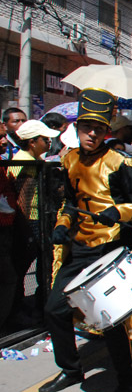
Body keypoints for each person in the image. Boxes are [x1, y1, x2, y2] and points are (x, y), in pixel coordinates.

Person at [38, 88, 132, 392]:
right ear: (77, 128)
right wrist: (63, 227)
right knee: (54, 308)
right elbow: (68, 203)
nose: (92, 134)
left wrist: (116, 212)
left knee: (108, 318)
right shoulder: (69, 160)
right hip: (79, 248)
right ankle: (70, 369)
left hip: (110, 249)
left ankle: (128, 378)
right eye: (87, 127)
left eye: (99, 129)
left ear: (107, 131)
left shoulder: (120, 162)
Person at [8, 120, 61, 320]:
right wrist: (26, 229)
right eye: (44, 139)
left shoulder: (28, 159)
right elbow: (23, 199)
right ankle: (23, 311)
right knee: (29, 268)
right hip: (31, 222)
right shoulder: (26, 163)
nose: (48, 142)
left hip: (32, 222)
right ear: (32, 142)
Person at [0, 122, 18, 329]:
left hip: (6, 229)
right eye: (0, 137)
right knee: (8, 278)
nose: (5, 141)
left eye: (4, 136)